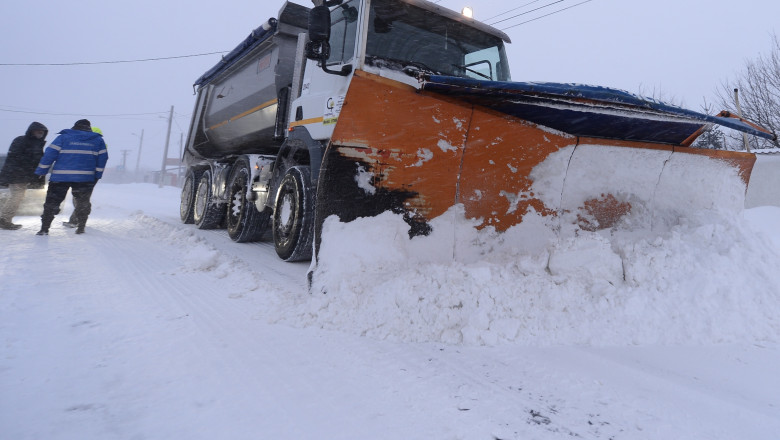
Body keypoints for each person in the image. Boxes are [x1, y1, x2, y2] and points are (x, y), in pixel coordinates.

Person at [34, 119, 108, 235]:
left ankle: (44, 228)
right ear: (89, 128)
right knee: (82, 202)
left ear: (74, 127)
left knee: (52, 202)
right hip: (85, 178)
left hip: (60, 177)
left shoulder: (63, 137)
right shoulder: (98, 140)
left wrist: (41, 171)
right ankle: (81, 227)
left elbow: (49, 154)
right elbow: (102, 159)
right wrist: (97, 176)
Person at [0, 122, 48, 230]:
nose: (40, 133)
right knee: (16, 197)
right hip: (16, 174)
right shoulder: (21, 140)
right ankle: (4, 220)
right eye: (38, 131)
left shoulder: (37, 143)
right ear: (31, 131)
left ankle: (4, 219)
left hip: (22, 175)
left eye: (42, 132)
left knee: (17, 197)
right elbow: (15, 157)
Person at [63, 126, 104, 228]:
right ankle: (80, 217)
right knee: (83, 197)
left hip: (84, 175)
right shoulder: (100, 144)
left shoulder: (88, 144)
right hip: (91, 176)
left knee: (79, 198)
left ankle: (76, 220)